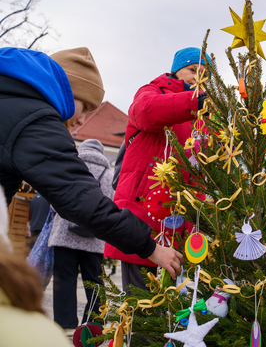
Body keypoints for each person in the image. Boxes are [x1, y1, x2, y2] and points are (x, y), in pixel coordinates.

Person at [0, 47, 183, 281]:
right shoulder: (34, 121)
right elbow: (82, 200)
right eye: (84, 106)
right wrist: (151, 248)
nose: (81, 120)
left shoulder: (11, 99)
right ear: (63, 89)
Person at [105, 47, 209, 291]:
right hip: (145, 209)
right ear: (176, 70)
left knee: (177, 301)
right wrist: (193, 102)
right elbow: (145, 112)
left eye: (205, 74)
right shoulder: (152, 90)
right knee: (142, 299)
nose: (198, 78)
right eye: (193, 70)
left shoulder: (205, 111)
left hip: (184, 215)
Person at [48, 138, 112, 334]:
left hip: (64, 234)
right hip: (94, 238)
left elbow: (54, 197)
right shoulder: (108, 174)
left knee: (64, 278)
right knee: (95, 282)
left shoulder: (70, 165)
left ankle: (65, 323)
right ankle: (93, 324)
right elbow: (111, 203)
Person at [0, 185, 71, 347]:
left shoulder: (33, 200)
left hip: (34, 229)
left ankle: (36, 274)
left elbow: (29, 217)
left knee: (35, 256)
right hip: (46, 230)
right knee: (44, 259)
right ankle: (39, 278)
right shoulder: (45, 334)